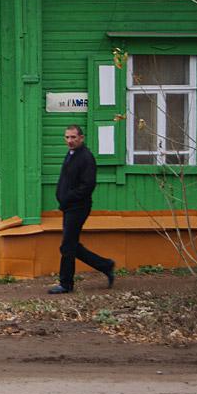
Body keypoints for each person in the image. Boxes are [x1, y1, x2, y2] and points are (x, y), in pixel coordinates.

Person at [48, 124, 116, 294]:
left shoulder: (86, 157)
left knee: (67, 246)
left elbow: (87, 186)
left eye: (73, 137)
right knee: (71, 245)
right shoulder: (71, 154)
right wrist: (62, 197)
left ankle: (66, 284)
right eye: (67, 137)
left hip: (78, 207)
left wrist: (68, 197)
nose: (70, 141)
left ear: (81, 138)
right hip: (69, 206)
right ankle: (106, 265)